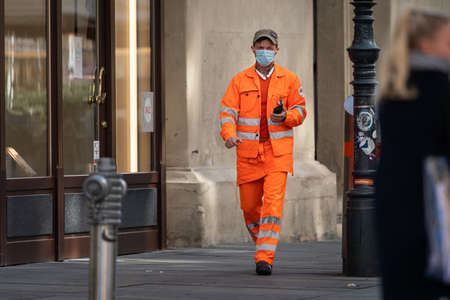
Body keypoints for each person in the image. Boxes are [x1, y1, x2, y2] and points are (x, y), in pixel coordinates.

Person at [219, 29, 307, 275]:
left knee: (272, 205)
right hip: (247, 153)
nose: (265, 51)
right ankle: (263, 241)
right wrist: (229, 135)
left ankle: (264, 257)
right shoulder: (239, 80)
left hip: (277, 154)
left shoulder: (289, 79)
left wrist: (286, 116)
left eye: (270, 48)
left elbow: (300, 111)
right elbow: (227, 112)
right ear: (252, 49)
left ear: (277, 51)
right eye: (261, 47)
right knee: (249, 207)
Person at [376, 9, 450, 299]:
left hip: (395, 207)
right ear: (426, 45)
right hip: (432, 210)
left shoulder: (394, 91)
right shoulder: (438, 89)